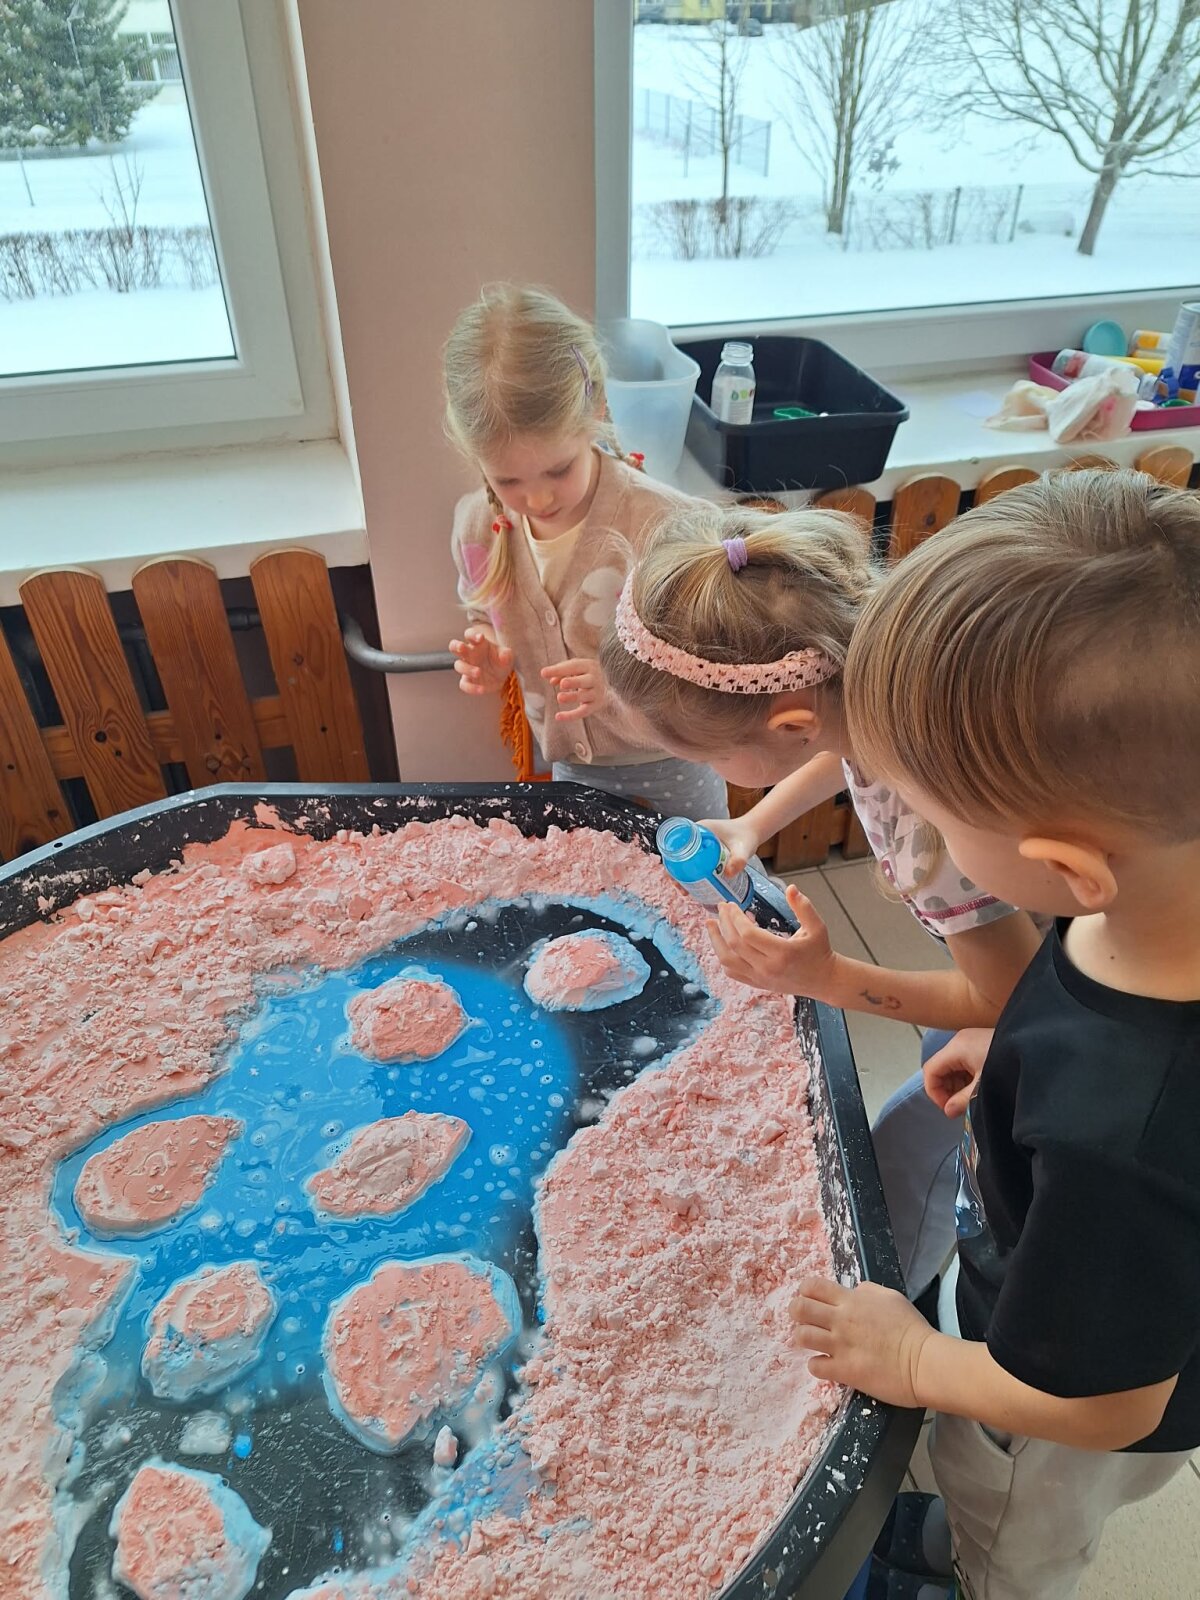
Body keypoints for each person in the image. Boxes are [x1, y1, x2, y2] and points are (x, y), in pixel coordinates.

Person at [791, 469, 1200, 1600]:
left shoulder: (1119, 1134)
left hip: (1054, 1421)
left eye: (933, 813)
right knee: (979, 1494)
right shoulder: (1144, 900)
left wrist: (915, 1358)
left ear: (1066, 866)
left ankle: (975, 1571)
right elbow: (1075, 987)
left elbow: (1107, 1405)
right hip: (1069, 1274)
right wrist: (1019, 1043)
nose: (914, 830)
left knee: (1013, 1536)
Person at [597, 500, 1042, 1294]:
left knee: (938, 1147)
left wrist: (825, 977)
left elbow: (1007, 1000)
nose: (713, 772)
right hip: (1011, 954)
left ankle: (904, 1305)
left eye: (710, 757)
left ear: (789, 722)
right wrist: (754, 823)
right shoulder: (873, 674)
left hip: (1038, 999)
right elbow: (833, 746)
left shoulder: (934, 825)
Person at [443, 283, 727, 820]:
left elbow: (712, 659)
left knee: (705, 869)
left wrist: (622, 683)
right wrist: (487, 646)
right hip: (571, 764)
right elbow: (485, 613)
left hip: (673, 759)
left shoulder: (662, 522)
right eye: (508, 480)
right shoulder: (478, 527)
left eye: (559, 469)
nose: (538, 499)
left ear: (597, 407)